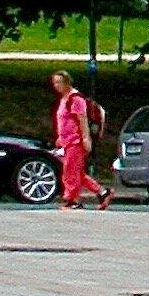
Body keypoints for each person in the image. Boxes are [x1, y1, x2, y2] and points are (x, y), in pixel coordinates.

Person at [49, 71, 111, 210]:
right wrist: (61, 137)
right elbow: (64, 121)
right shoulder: (64, 98)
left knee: (70, 172)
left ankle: (74, 201)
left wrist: (85, 138)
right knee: (77, 172)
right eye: (54, 82)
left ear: (67, 82)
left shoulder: (75, 99)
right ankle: (103, 193)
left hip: (75, 141)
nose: (56, 85)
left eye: (59, 82)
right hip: (67, 140)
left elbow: (82, 119)